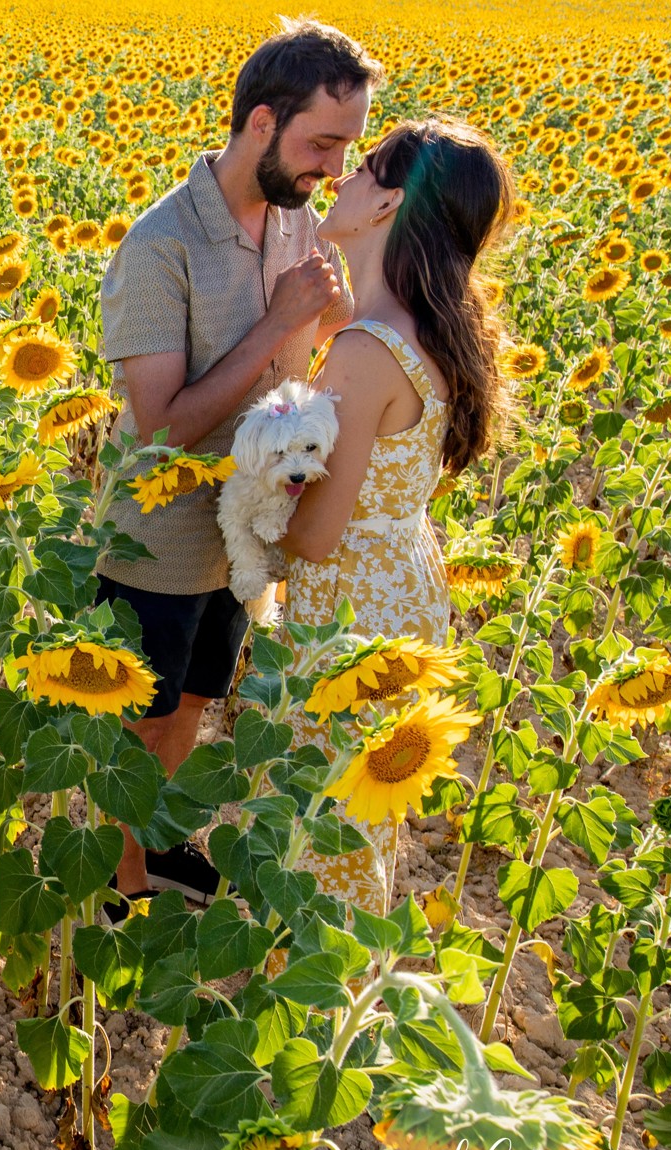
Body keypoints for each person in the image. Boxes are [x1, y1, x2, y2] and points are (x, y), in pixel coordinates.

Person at [97, 19, 380, 906]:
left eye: (347, 148)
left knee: (193, 703)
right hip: (162, 534)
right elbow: (162, 427)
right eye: (322, 144)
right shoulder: (159, 246)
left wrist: (326, 316)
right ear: (262, 122)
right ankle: (117, 881)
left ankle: (156, 846)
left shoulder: (294, 226)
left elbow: (296, 356)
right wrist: (279, 321)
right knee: (139, 724)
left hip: (245, 525)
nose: (332, 169)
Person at [279, 119, 514, 913]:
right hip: (405, 585)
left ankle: (315, 998)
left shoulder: (367, 350)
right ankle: (342, 989)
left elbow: (315, 531)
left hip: (349, 611)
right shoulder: (425, 335)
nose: (341, 178)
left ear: (388, 205)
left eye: (366, 168)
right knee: (360, 816)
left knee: (319, 823)